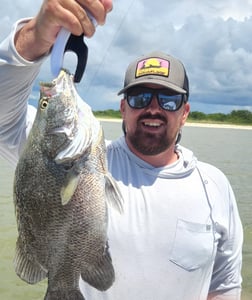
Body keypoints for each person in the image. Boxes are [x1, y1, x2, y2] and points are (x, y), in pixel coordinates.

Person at [0, 0, 243, 299]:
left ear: (185, 113)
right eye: (140, 97)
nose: (153, 109)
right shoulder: (60, 156)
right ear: (123, 108)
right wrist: (35, 36)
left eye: (168, 100)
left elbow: (225, 285)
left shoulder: (215, 186)